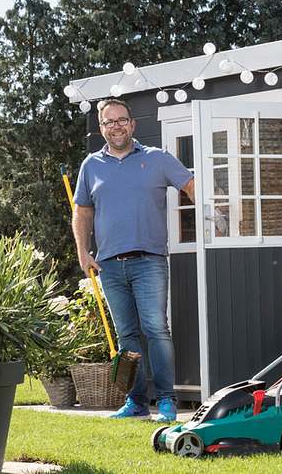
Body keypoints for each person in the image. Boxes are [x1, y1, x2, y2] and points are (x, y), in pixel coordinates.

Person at [72, 98, 195, 423]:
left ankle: (166, 400)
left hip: (149, 260)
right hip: (109, 265)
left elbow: (193, 186)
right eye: (109, 122)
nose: (116, 126)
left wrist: (213, 216)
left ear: (132, 124)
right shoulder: (91, 166)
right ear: (101, 128)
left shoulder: (157, 159)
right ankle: (136, 402)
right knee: (127, 335)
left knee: (156, 329)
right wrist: (83, 253)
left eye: (121, 120)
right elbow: (82, 212)